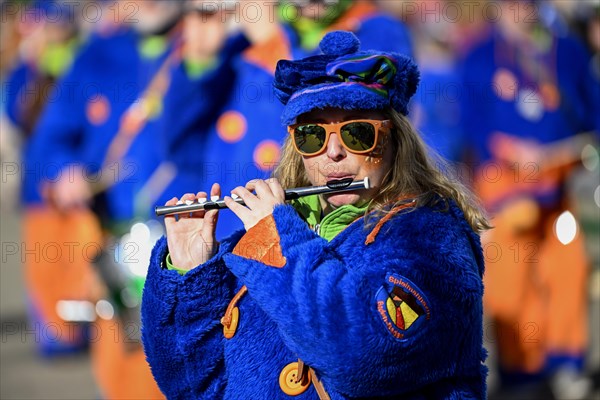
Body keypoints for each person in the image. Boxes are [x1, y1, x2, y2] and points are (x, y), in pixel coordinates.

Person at [141, 31, 489, 399]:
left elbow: (361, 359)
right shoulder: (274, 233)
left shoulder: (430, 237)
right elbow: (195, 388)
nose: (333, 151)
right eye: (312, 135)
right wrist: (192, 276)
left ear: (395, 140)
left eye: (357, 133)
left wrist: (277, 238)